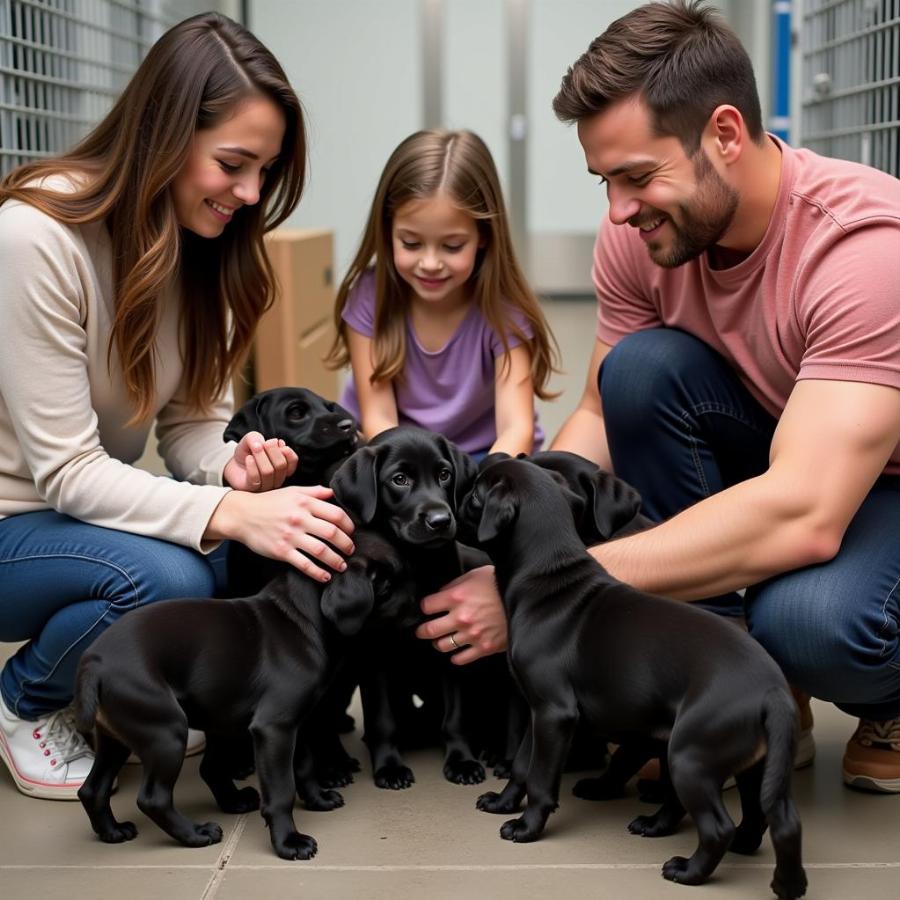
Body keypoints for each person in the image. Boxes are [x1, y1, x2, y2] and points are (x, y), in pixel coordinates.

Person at [416, 0, 900, 793]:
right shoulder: (642, 233)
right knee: (637, 370)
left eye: (638, 176)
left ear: (724, 135)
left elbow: (807, 512)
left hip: (878, 485)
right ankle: (729, 691)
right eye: (605, 180)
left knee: (813, 623)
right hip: (786, 447)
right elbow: (605, 413)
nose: (617, 210)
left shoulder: (863, 250)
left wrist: (543, 588)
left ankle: (887, 694)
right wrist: (510, 532)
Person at [0, 12, 355, 801]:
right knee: (171, 579)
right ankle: (28, 698)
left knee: (268, 555)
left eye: (264, 170)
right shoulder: (37, 238)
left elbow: (191, 422)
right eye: (233, 163)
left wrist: (237, 468)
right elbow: (68, 473)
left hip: (81, 517)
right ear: (164, 132)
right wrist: (228, 513)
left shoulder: (205, 248)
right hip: (14, 523)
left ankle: (168, 686)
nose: (251, 193)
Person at [326, 129, 558, 459]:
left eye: (451, 246)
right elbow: (379, 420)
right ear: (387, 229)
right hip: (396, 456)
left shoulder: (505, 310)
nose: (430, 263)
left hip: (482, 458)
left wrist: (478, 491)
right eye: (411, 243)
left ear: (484, 237)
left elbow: (515, 429)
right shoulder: (369, 296)